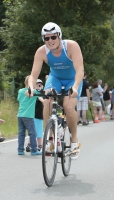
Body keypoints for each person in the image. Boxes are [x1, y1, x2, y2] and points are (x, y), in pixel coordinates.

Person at [28, 22, 83, 160]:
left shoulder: (71, 46)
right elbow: (33, 75)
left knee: (68, 107)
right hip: (55, 78)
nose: (50, 41)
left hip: (72, 79)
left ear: (59, 36)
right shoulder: (41, 52)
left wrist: (75, 86)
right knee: (47, 101)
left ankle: (74, 141)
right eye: (47, 38)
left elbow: (80, 70)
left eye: (53, 37)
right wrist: (30, 87)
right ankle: (50, 140)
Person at [17, 76, 41, 156]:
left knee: (21, 133)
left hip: (20, 115)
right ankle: (34, 150)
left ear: (24, 82)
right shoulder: (34, 91)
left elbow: (19, 99)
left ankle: (20, 150)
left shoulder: (20, 91)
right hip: (29, 116)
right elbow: (41, 96)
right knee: (32, 133)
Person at [26, 79, 44, 152]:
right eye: (37, 85)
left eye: (40, 85)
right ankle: (30, 144)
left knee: (39, 131)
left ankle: (39, 145)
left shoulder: (43, 94)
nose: (39, 86)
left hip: (39, 116)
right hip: (33, 115)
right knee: (33, 131)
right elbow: (39, 99)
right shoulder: (34, 94)